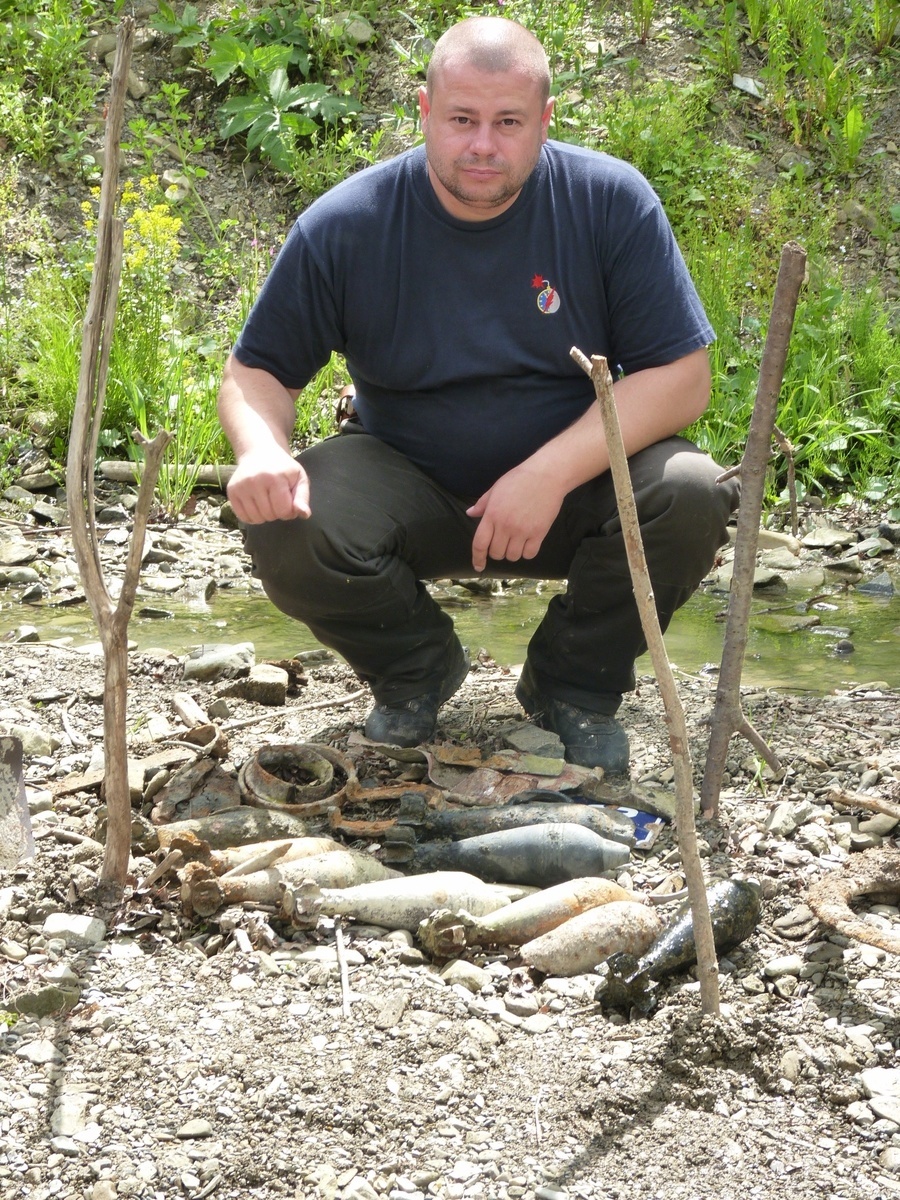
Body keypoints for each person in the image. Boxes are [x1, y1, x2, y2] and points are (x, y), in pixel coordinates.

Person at [217, 16, 739, 774]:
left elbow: (682, 378)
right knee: (285, 521)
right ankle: (416, 671)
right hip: (412, 484)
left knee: (693, 490)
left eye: (508, 123)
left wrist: (548, 473)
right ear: (425, 112)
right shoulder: (348, 224)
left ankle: (574, 687)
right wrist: (260, 448)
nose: (483, 145)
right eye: (462, 120)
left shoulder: (610, 203)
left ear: (545, 122)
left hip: (575, 495)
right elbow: (255, 373)